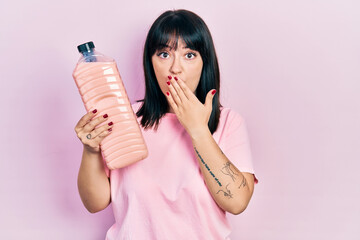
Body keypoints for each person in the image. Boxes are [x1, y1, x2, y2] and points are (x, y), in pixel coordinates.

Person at [75, 9, 258, 240]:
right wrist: (91, 150)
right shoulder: (124, 117)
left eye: (189, 55)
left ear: (205, 63)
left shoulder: (229, 122)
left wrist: (198, 130)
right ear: (150, 63)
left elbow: (237, 202)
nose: (175, 68)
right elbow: (95, 203)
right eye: (164, 54)